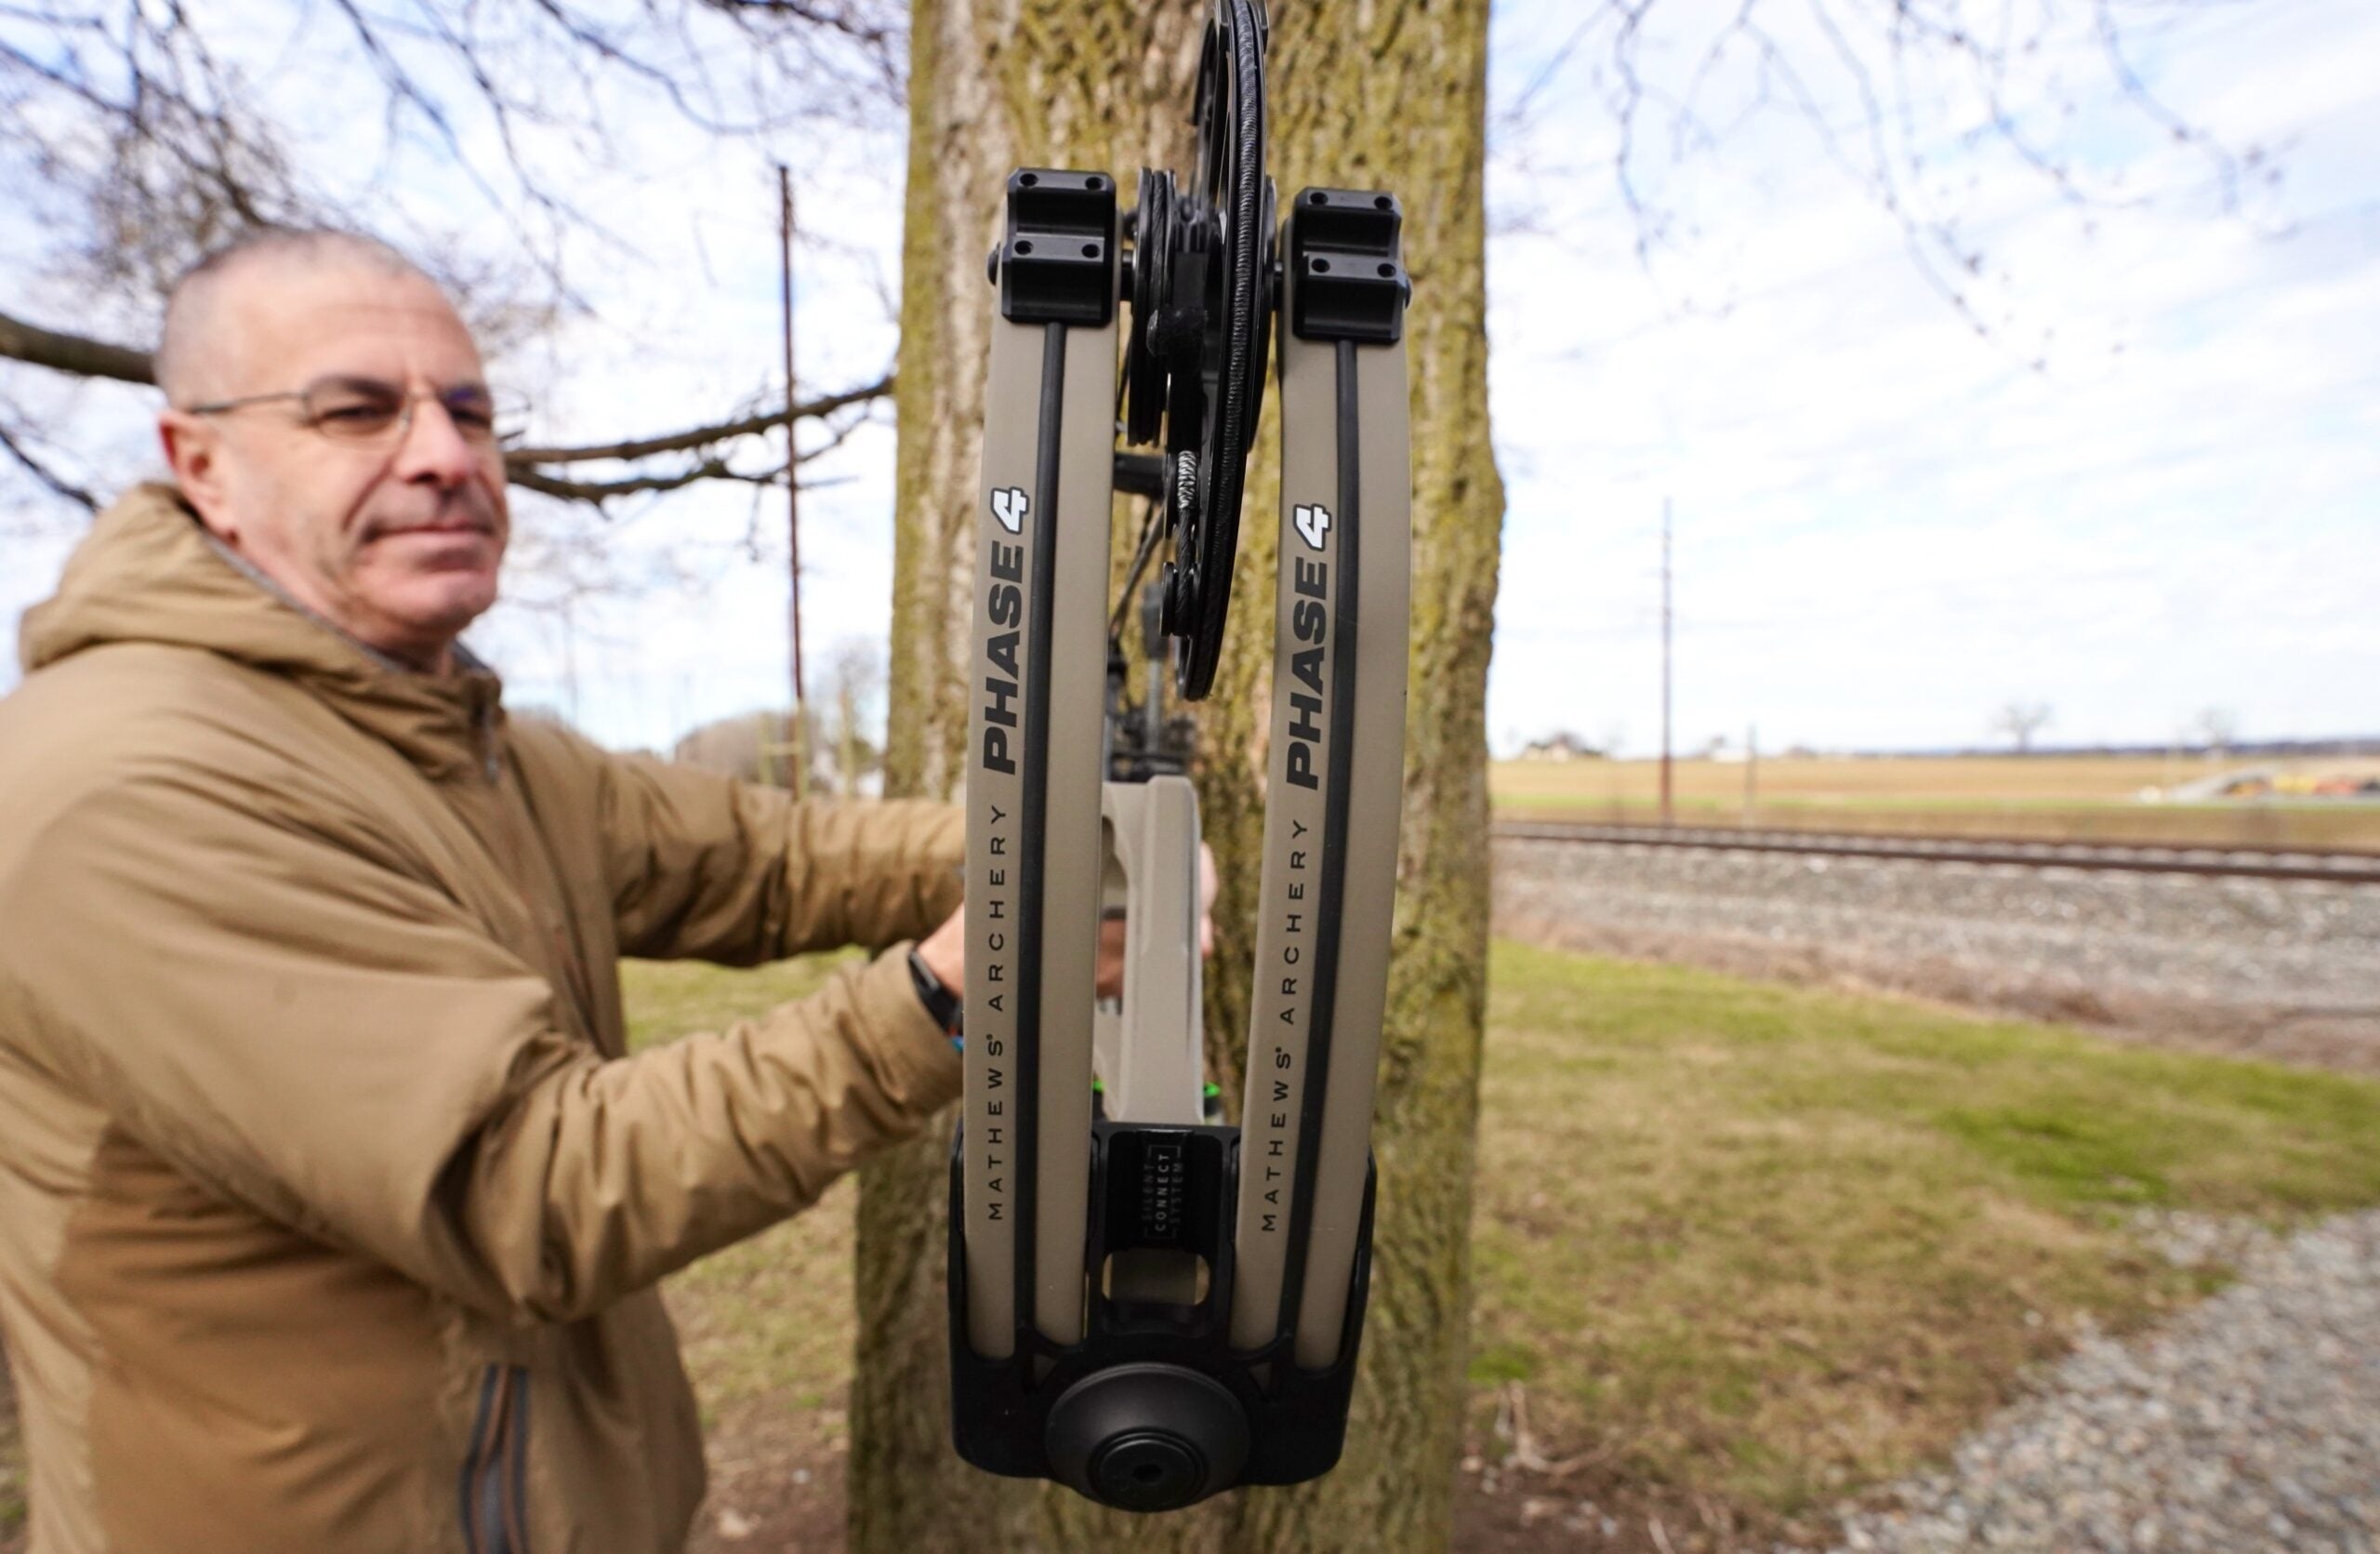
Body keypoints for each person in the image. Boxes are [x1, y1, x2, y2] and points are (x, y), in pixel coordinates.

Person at [0, 229, 981, 1553]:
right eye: (353, 410)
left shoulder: (452, 736)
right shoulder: (120, 789)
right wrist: (954, 995)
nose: (444, 457)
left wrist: (1042, 845)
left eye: (468, 411)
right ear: (202, 467)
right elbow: (536, 1181)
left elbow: (764, 858)